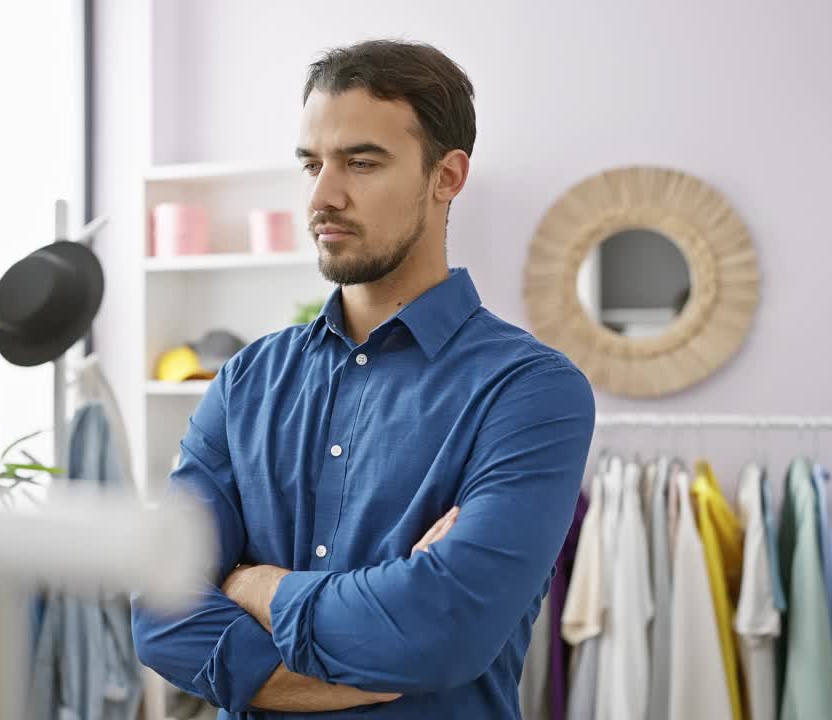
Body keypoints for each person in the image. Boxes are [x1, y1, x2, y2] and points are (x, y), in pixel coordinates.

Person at [132, 39, 596, 718]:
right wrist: (337, 667)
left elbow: (443, 627)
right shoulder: (246, 381)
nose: (323, 195)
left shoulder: (531, 392)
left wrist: (254, 584)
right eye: (312, 164)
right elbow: (159, 608)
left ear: (447, 176)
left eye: (361, 162)